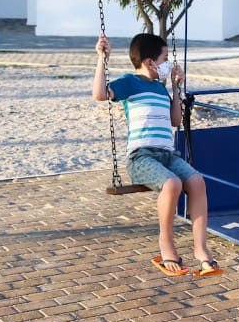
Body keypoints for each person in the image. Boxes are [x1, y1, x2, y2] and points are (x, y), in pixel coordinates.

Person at [93, 32, 223, 277]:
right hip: (141, 157)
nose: (168, 64)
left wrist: (175, 86)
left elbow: (175, 120)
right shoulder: (130, 82)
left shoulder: (161, 89)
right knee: (172, 184)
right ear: (149, 62)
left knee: (197, 181)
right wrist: (102, 58)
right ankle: (166, 244)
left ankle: (200, 249)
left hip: (167, 155)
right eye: (165, 59)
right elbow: (100, 94)